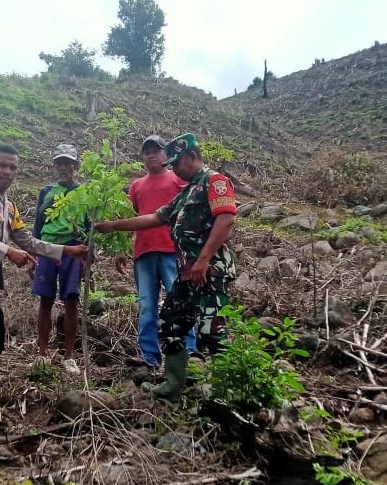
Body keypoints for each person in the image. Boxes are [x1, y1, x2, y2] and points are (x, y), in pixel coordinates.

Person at [0, 143, 89, 429]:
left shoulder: (9, 206)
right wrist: (7, 252)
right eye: (2, 165)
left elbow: (27, 240)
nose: (8, 172)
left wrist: (65, 251)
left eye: (13, 167)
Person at [96, 133, 236, 404]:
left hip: (209, 271)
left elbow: (226, 219)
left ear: (192, 157)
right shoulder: (187, 192)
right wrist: (112, 226)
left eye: (177, 163)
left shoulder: (214, 181)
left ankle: (227, 390)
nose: (173, 169)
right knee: (171, 322)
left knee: (212, 328)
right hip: (186, 273)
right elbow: (154, 218)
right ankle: (173, 385)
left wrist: (204, 259)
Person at [119, 134, 196, 367]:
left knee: (179, 300)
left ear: (166, 154)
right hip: (143, 252)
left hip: (172, 250)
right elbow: (130, 217)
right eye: (146, 151)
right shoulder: (136, 186)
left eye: (156, 150)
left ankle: (189, 352)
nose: (151, 154)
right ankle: (150, 355)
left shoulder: (177, 179)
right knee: (146, 303)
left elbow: (191, 209)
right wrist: (122, 248)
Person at [31, 143, 85, 376]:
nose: (64, 167)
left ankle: (69, 356)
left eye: (68, 163)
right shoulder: (46, 191)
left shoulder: (84, 193)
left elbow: (89, 226)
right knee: (45, 299)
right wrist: (33, 255)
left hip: (74, 248)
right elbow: (38, 225)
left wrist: (88, 256)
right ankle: (42, 353)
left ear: (75, 166)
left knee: (71, 301)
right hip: (47, 248)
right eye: (59, 163)